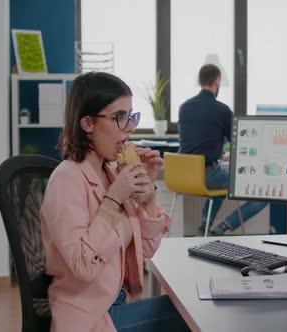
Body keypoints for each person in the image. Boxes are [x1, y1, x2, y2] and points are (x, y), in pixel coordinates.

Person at [40, 72, 188, 332]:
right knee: (192, 316)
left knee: (190, 305)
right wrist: (114, 200)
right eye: (119, 117)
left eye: (130, 116)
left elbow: (149, 249)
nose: (130, 127)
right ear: (88, 123)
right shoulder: (67, 178)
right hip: (90, 317)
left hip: (119, 304)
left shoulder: (111, 173)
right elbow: (83, 266)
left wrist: (148, 196)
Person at [178, 64, 267, 236]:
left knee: (220, 186)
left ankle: (205, 226)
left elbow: (195, 141)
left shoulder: (184, 107)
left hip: (184, 175)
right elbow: (239, 143)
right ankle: (223, 227)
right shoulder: (222, 110)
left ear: (199, 81)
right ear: (216, 82)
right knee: (261, 196)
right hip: (208, 174)